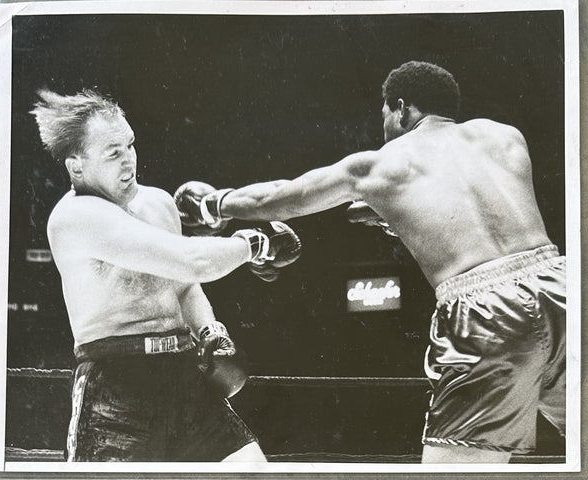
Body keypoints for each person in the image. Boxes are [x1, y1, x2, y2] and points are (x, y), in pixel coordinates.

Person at [175, 60, 566, 463]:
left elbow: (284, 197)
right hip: (562, 287)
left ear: (401, 108)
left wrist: (213, 205)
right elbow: (476, 209)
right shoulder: (504, 137)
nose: (384, 126)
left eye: (385, 114)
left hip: (485, 314)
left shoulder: (381, 164)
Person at [30, 88, 301, 462]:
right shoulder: (75, 218)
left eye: (130, 145)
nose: (129, 161)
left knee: (250, 466)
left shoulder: (157, 202)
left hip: (182, 372)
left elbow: (185, 285)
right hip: (116, 384)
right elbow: (192, 260)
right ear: (76, 166)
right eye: (113, 153)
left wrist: (210, 331)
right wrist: (255, 244)